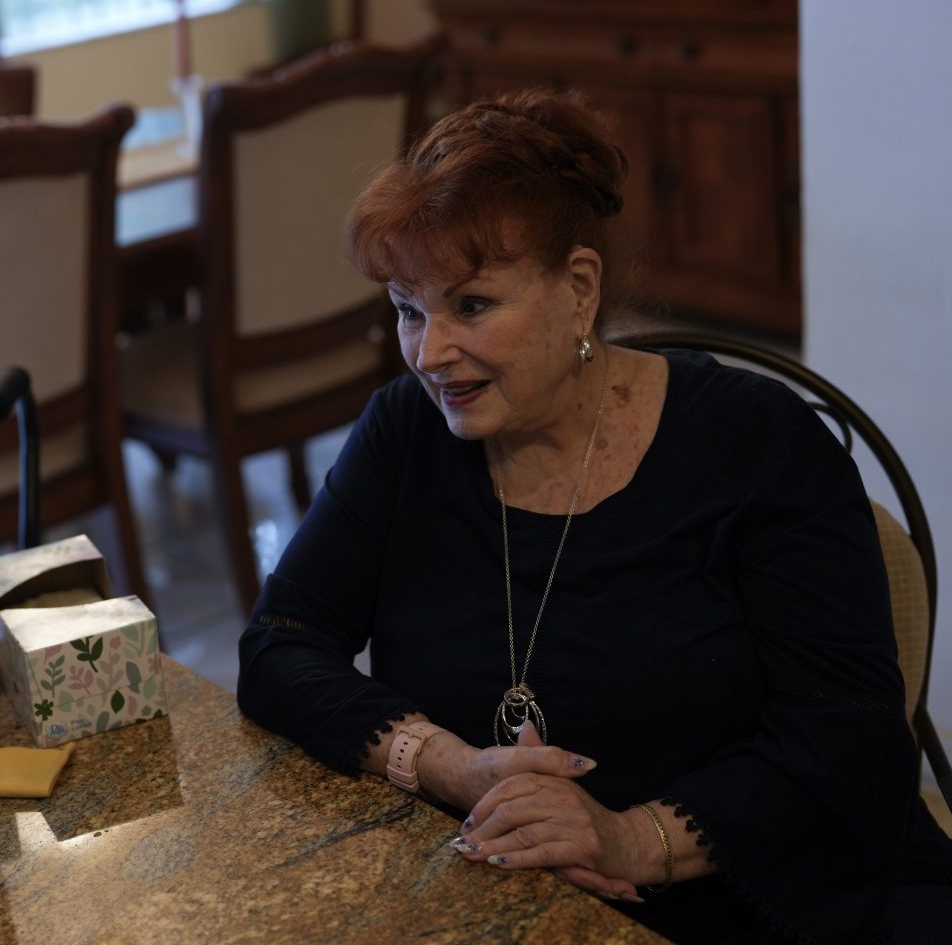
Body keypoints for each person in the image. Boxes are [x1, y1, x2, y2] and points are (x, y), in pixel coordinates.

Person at [236, 88, 952, 944]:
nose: (430, 354)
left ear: (579, 289)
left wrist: (627, 838)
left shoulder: (756, 444)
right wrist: (449, 764)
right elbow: (281, 643)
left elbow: (845, 735)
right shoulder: (407, 432)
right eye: (406, 309)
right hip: (493, 896)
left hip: (762, 900)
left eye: (471, 306)